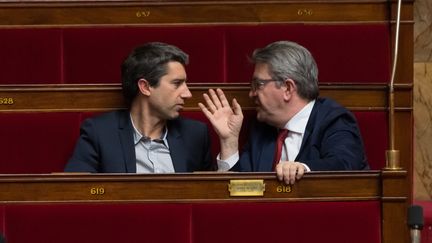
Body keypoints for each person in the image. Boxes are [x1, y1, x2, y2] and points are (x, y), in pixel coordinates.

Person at [199, 40, 369, 184]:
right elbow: (241, 188)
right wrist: (229, 141)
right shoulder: (262, 129)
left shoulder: (334, 119)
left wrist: (303, 168)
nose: (252, 93)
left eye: (258, 84)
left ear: (288, 88)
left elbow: (346, 163)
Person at [65, 42, 214, 173]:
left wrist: (228, 142)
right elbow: (76, 190)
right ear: (145, 87)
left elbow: (214, 194)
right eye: (176, 83)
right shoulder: (99, 133)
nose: (187, 94)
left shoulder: (195, 134)